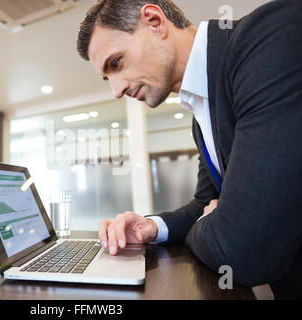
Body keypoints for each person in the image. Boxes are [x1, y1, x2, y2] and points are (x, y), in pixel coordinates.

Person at [76, 0, 301, 299]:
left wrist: (207, 225)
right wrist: (151, 226)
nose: (116, 90)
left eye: (116, 63)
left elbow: (247, 251)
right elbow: (205, 202)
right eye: (107, 78)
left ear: (155, 22)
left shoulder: (265, 37)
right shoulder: (201, 115)